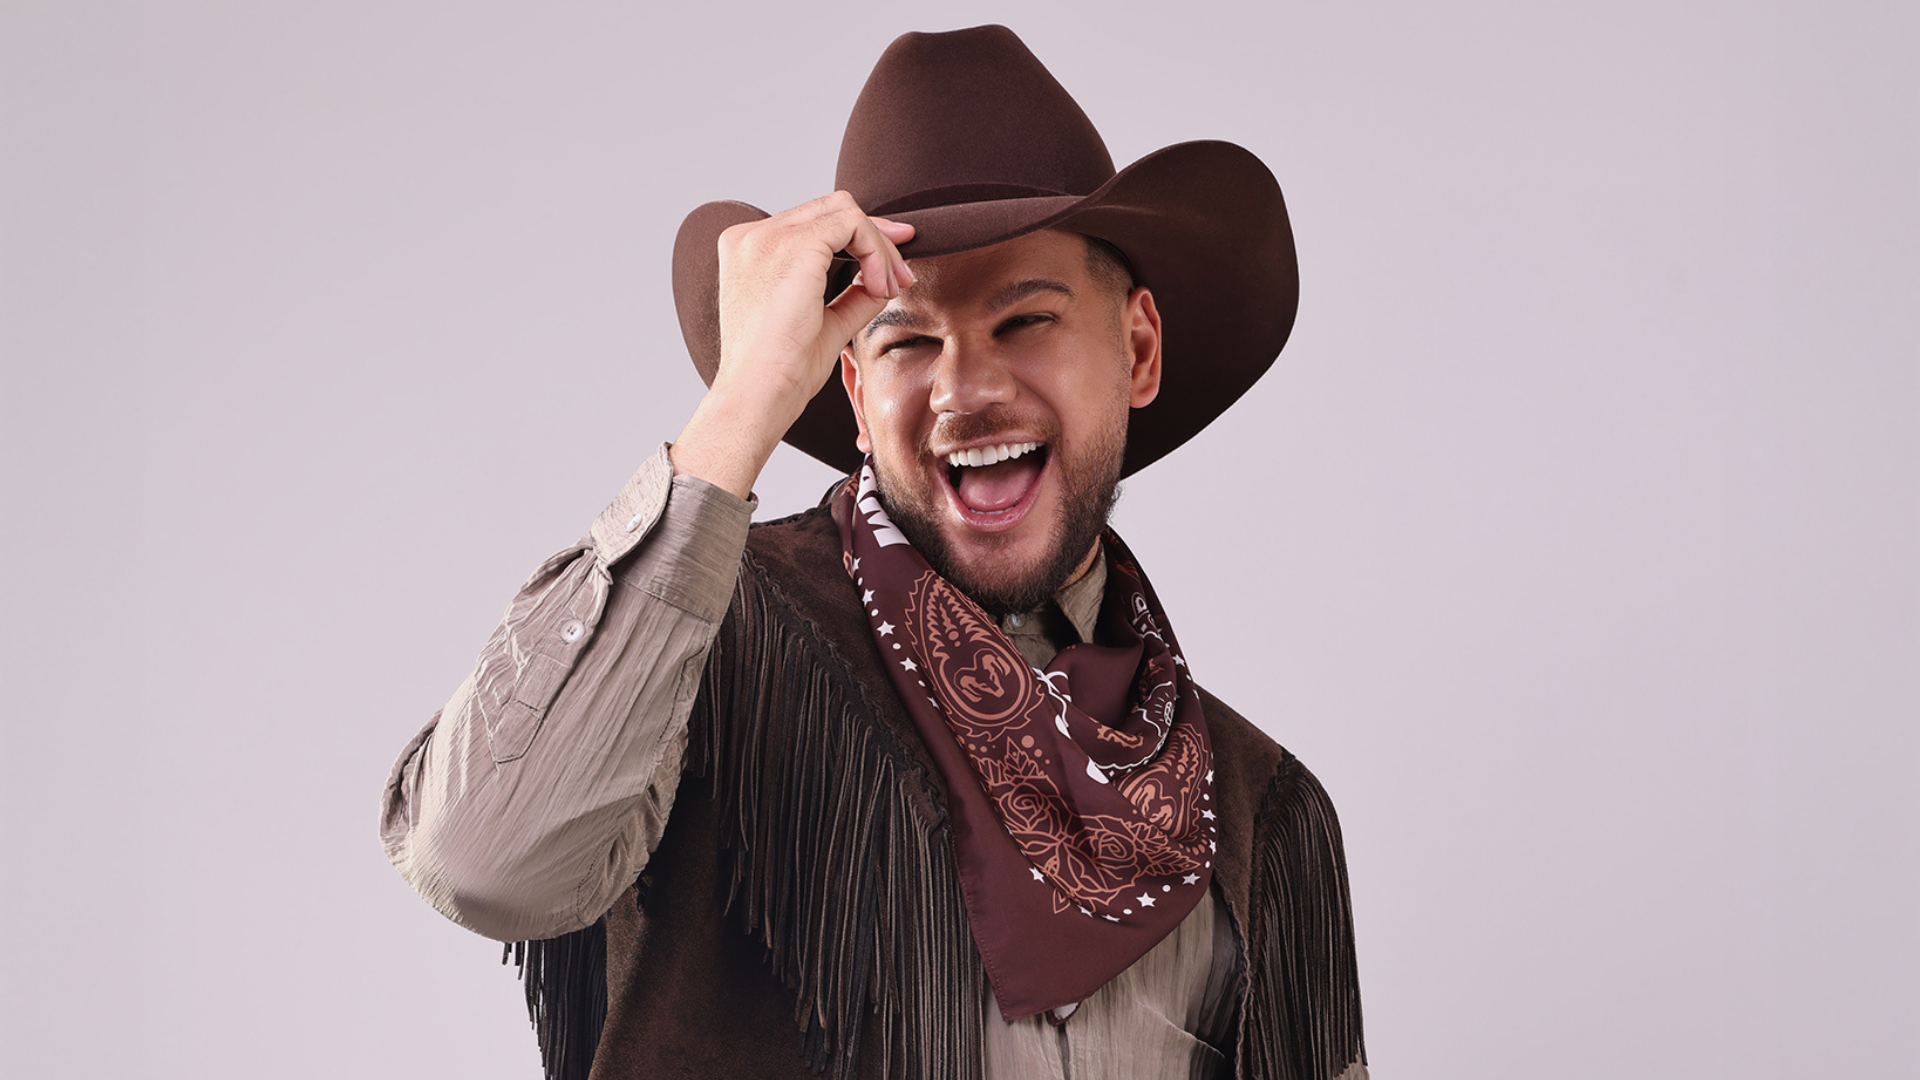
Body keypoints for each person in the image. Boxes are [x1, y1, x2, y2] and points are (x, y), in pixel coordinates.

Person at [380, 24, 1365, 1080]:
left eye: (1026, 321)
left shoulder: (1262, 812)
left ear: (1137, 348)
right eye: (907, 340)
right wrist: (745, 397)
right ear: (848, 389)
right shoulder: (704, 651)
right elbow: (482, 863)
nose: (965, 389)